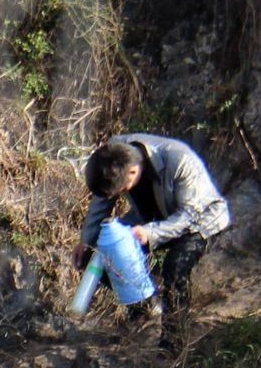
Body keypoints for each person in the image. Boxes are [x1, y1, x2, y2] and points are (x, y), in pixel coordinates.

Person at [79, 133, 230, 352]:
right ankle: (144, 309)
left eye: (122, 190)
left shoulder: (180, 160)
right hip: (153, 218)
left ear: (133, 171)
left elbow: (188, 216)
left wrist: (150, 233)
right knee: (99, 253)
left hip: (201, 221)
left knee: (175, 266)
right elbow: (101, 202)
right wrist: (86, 242)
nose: (120, 194)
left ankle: (173, 341)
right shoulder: (112, 157)